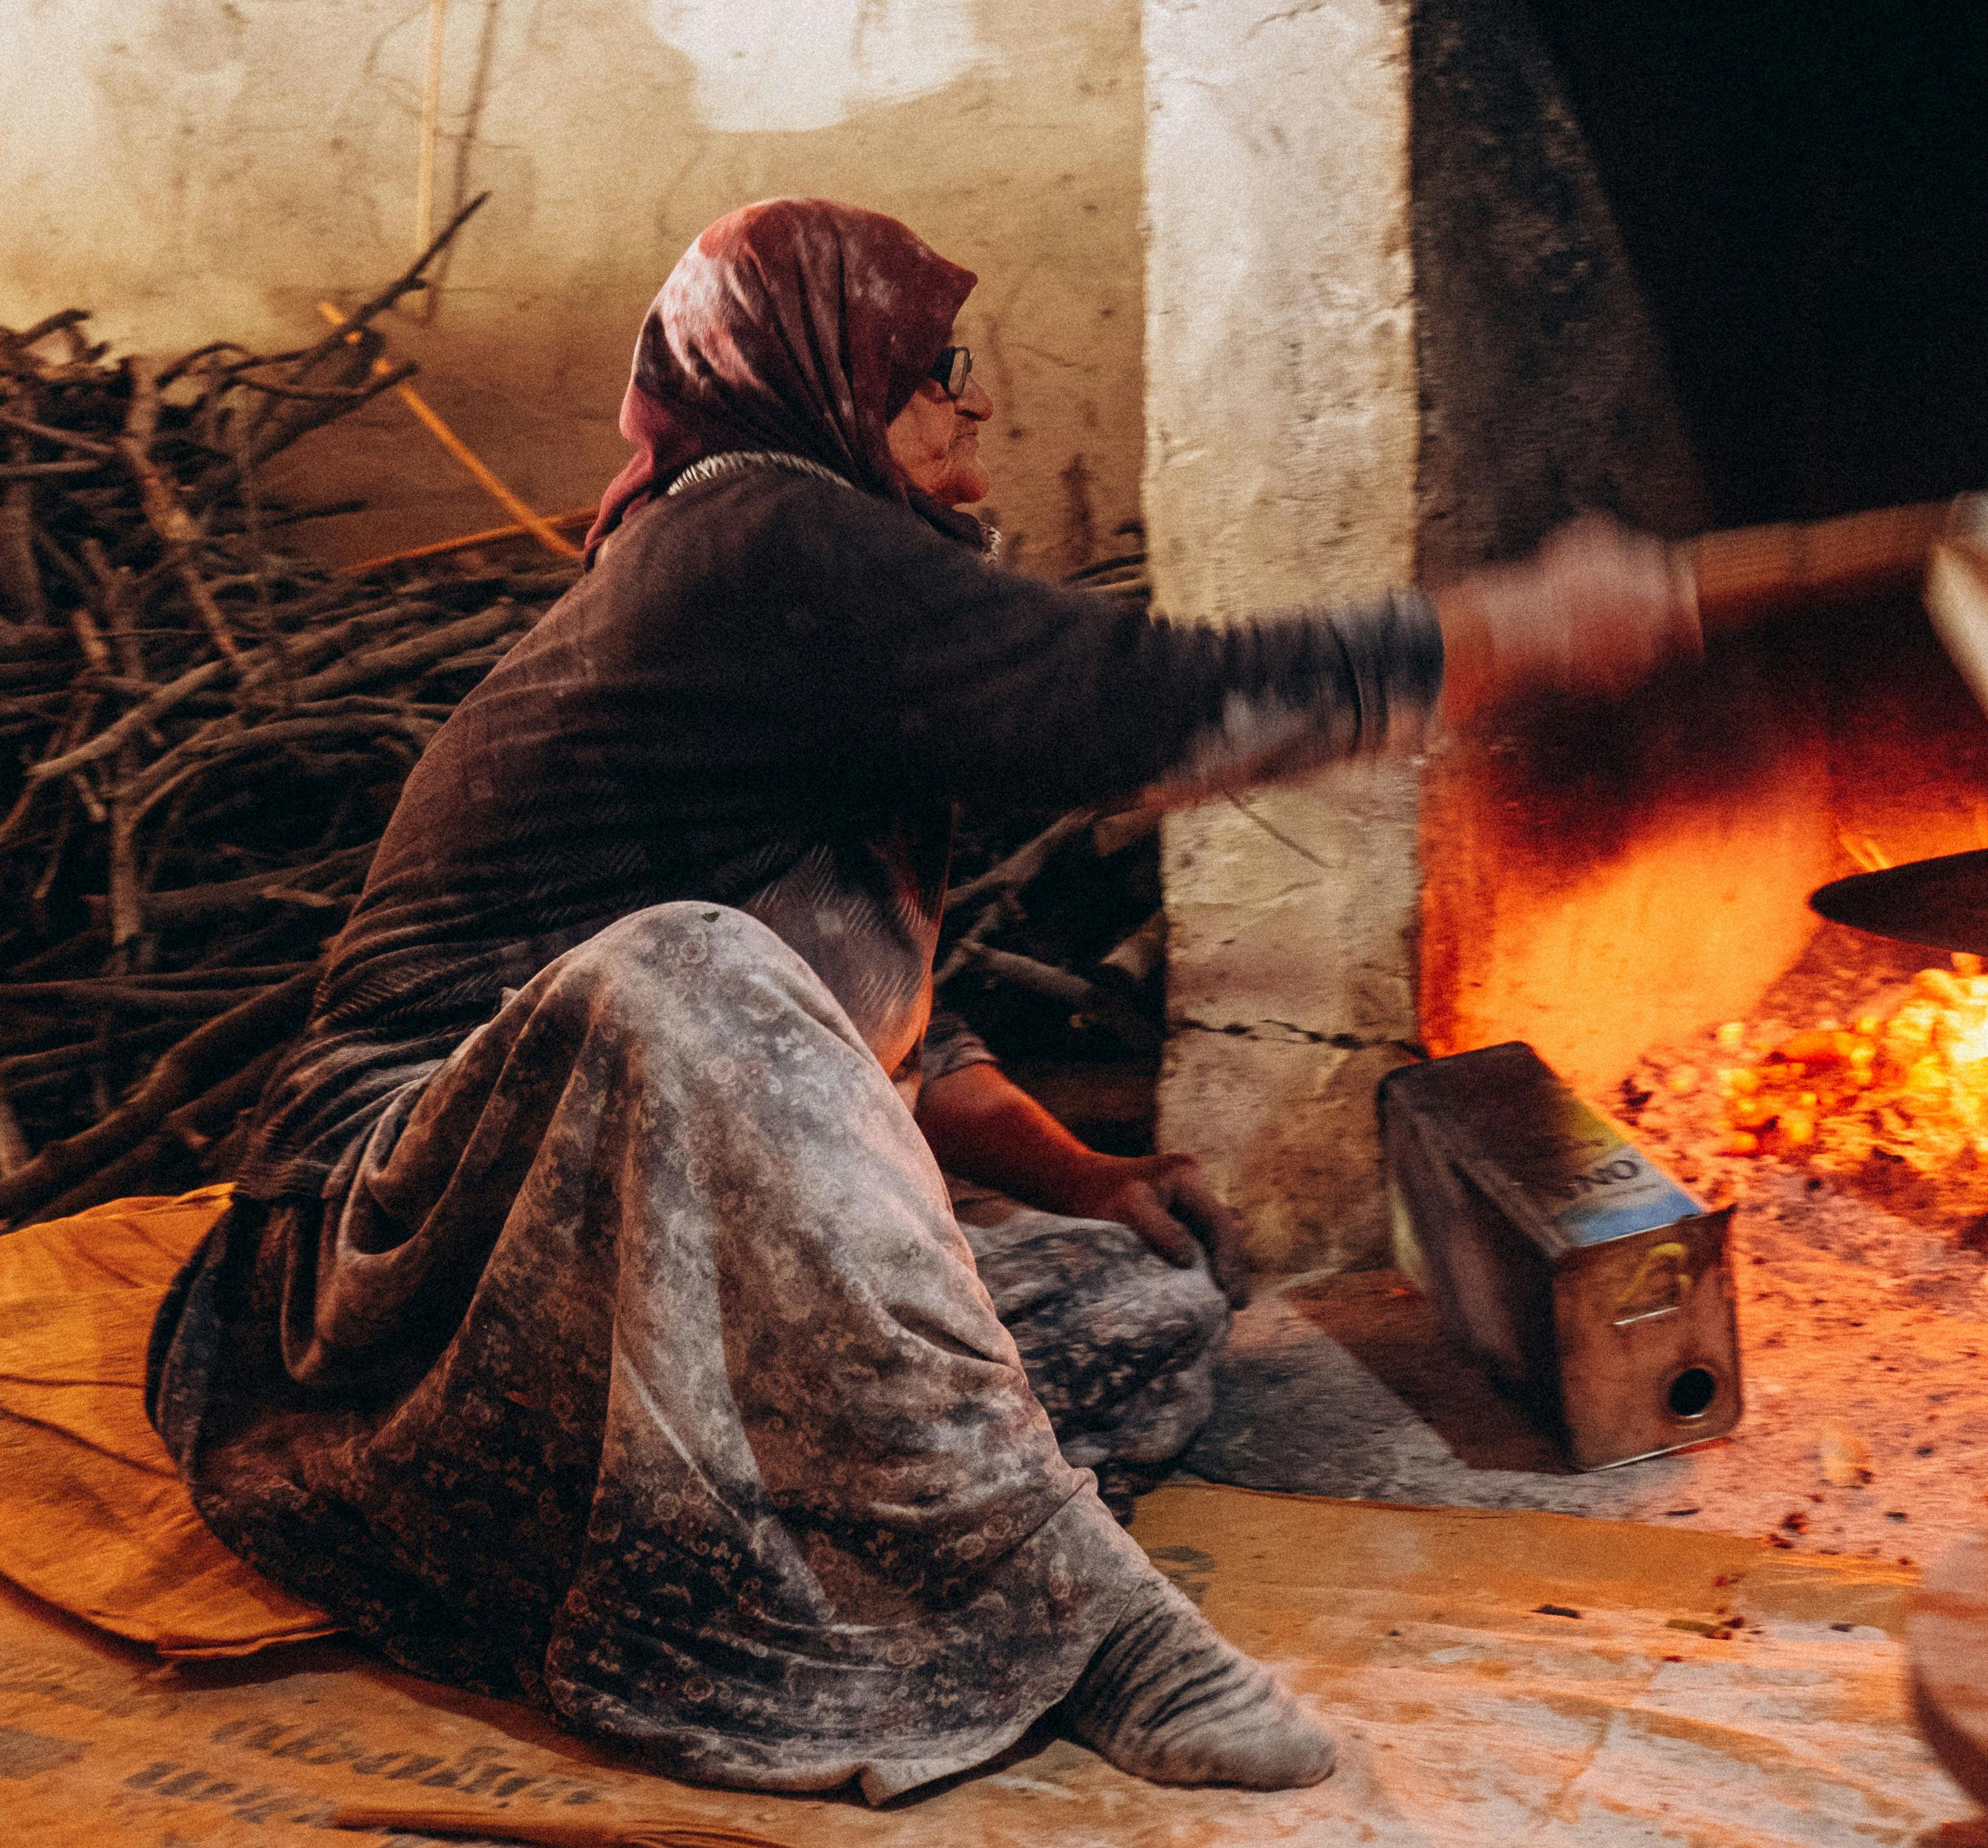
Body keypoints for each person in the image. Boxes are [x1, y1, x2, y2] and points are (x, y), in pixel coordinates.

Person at [146, 197, 1695, 1800]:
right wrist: (1506, 628)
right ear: (816, 371)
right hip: (398, 1253)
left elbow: (876, 1021)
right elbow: (1134, 714)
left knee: (1142, 1304)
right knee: (684, 969)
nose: (977, 401)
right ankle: (1075, 1613)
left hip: (602, 1248)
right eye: (934, 362)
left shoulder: (797, 588)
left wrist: (1077, 1175)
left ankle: (767, 1503)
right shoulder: (757, 532)